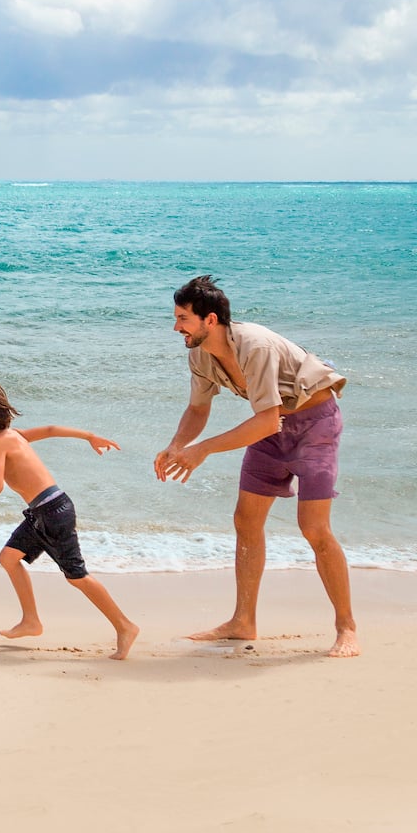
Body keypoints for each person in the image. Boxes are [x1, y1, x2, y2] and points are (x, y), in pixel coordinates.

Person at [152, 276, 359, 658]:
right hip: (271, 427)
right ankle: (243, 621)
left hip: (315, 426)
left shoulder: (256, 345)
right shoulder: (200, 354)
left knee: (313, 528)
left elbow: (265, 420)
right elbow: (198, 408)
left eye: (183, 319)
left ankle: (346, 627)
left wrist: (203, 450)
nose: (176, 327)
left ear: (210, 320)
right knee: (246, 521)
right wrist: (177, 446)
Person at [0, 383, 140, 660]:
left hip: (52, 513)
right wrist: (89, 436)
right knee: (9, 557)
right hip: (45, 510)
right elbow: (52, 429)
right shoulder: (14, 435)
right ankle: (31, 621)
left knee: (77, 577)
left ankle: (125, 626)